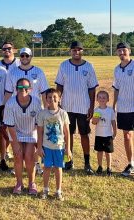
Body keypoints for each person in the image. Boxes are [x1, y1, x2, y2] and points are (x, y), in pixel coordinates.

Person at [55, 41, 98, 175]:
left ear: (82, 51)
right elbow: (59, 86)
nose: (76, 52)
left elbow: (92, 89)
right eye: (74, 50)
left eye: (79, 49)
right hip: (67, 106)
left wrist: (91, 107)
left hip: (83, 106)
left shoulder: (89, 66)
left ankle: (87, 163)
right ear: (70, 51)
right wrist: (58, 101)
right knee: (69, 134)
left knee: (84, 134)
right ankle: (69, 160)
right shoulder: (64, 65)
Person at [4, 47, 49, 175]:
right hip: (16, 110)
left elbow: (44, 92)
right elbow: (8, 92)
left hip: (34, 110)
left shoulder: (38, 72)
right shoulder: (12, 72)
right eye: (22, 56)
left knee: (35, 140)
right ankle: (17, 164)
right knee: (16, 139)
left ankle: (36, 164)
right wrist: (4, 109)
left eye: (27, 56)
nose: (24, 58)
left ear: (31, 57)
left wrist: (45, 111)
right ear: (20, 57)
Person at [3, 78, 41, 195]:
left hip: (31, 132)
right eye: (20, 88)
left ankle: (31, 183)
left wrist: (38, 144)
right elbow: (10, 125)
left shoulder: (36, 102)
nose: (22, 90)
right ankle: (19, 183)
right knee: (18, 156)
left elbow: (39, 124)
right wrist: (14, 143)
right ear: (16, 89)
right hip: (16, 132)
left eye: (25, 88)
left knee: (29, 157)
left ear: (30, 89)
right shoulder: (10, 103)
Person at [37, 88, 71, 201]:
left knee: (58, 168)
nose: (52, 99)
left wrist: (68, 148)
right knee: (46, 168)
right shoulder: (42, 114)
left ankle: (58, 191)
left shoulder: (63, 113)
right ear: (46, 99)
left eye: (55, 97)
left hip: (59, 147)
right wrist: (39, 147)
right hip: (47, 147)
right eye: (49, 97)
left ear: (59, 98)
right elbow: (40, 132)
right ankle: (45, 189)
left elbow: (67, 133)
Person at [112, 42, 134, 176]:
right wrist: (114, 104)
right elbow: (116, 88)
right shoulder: (117, 69)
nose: (121, 53)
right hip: (124, 107)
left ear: (129, 51)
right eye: (119, 51)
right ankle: (131, 163)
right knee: (127, 136)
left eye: (123, 50)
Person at [0, 41, 20, 162]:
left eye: (9, 48)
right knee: (2, 131)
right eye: (4, 49)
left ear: (13, 49)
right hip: (2, 102)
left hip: (17, 101)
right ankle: (4, 154)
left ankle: (14, 150)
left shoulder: (19, 63)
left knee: (17, 129)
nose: (7, 51)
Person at [92, 90, 116, 176]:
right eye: (100, 97)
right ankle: (100, 166)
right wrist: (95, 119)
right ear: (97, 99)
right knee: (99, 151)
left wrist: (115, 132)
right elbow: (93, 123)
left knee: (108, 152)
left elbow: (113, 121)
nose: (102, 99)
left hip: (108, 135)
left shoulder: (110, 110)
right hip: (99, 135)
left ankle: (109, 168)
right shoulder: (96, 110)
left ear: (108, 99)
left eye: (104, 97)